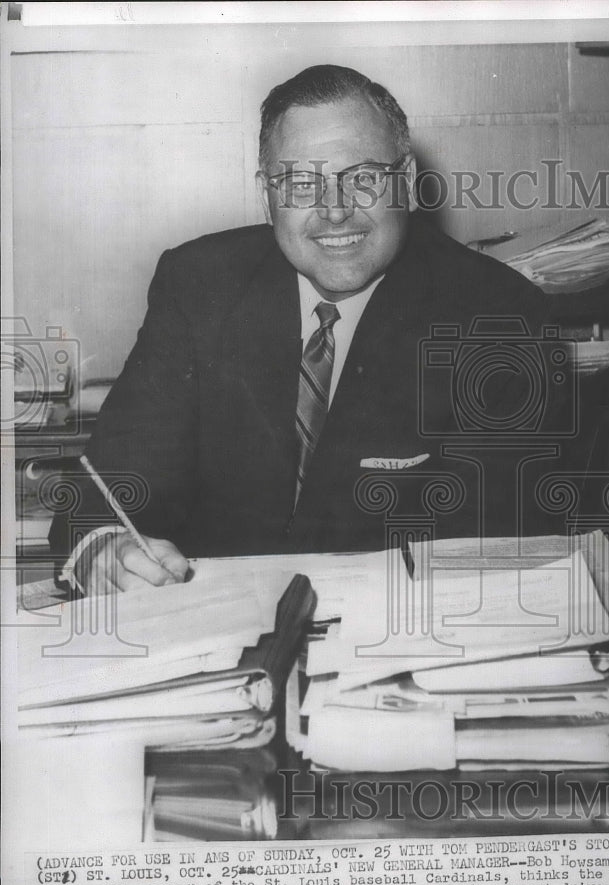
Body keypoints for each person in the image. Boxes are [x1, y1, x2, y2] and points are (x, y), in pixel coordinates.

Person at [51, 64, 568, 595]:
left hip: (397, 639)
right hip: (210, 631)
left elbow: (501, 549)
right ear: (266, 193)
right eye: (301, 183)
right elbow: (112, 481)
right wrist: (104, 550)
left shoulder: (500, 317)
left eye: (363, 178)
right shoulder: (200, 284)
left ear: (407, 182)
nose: (335, 210)